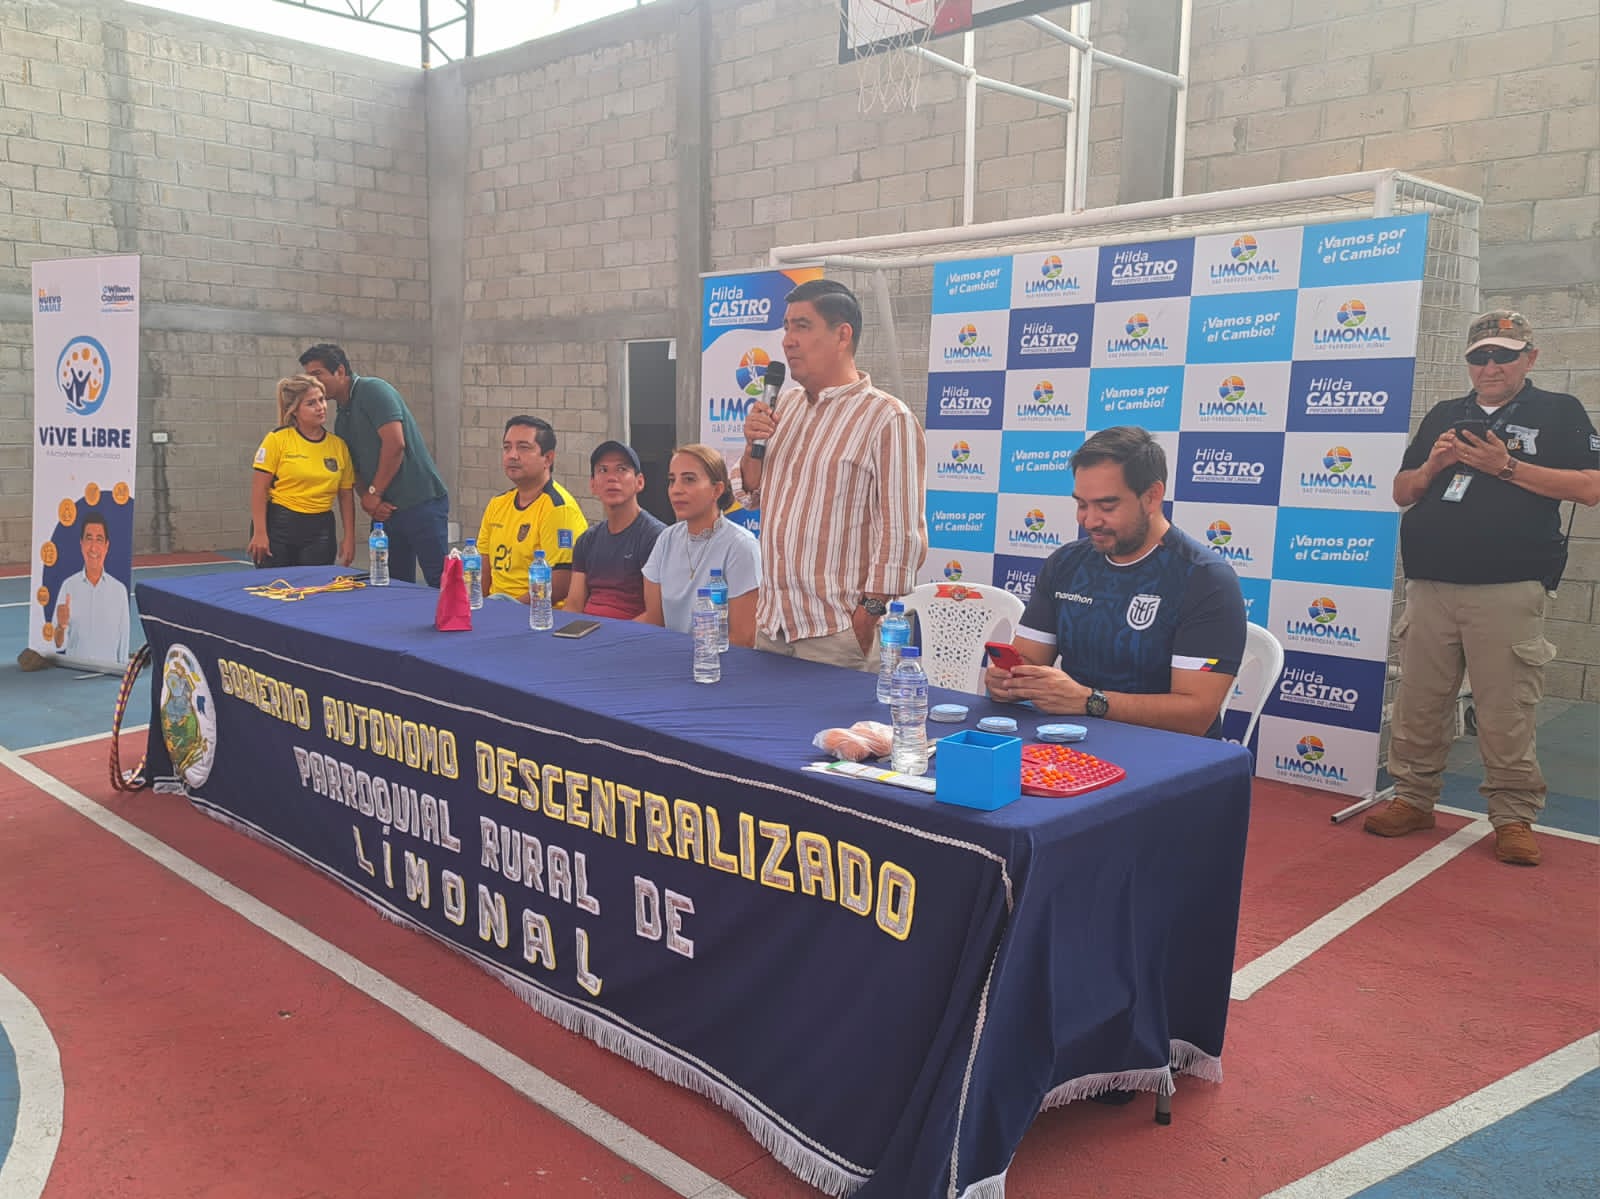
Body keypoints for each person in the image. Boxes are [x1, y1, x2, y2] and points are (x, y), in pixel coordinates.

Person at [1365, 311, 1600, 867]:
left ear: (1530, 358)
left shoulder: (1559, 410)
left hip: (1508, 587)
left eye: (1504, 355)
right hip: (1431, 585)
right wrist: (1434, 464)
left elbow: (1591, 487)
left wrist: (1505, 466)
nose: (1491, 366)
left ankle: (1513, 816)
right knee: (1420, 701)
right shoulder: (1445, 414)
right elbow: (1402, 491)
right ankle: (1413, 798)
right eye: (1480, 356)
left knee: (1506, 707)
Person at [984, 426, 1245, 738]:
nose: (1089, 520)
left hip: (1168, 753)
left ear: (1152, 496)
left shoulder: (1205, 578)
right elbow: (1028, 659)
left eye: (1107, 507)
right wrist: (1009, 680)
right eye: (1081, 504)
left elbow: (1196, 715)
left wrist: (1090, 702)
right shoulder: (1066, 563)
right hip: (1069, 742)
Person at [738, 278, 927, 670]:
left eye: (802, 327)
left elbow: (902, 536)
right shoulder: (785, 406)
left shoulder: (887, 418)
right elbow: (751, 491)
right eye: (786, 328)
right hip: (772, 627)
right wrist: (752, 444)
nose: (788, 341)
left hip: (836, 634)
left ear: (843, 335)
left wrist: (865, 619)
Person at [298, 343, 449, 587]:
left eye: (317, 375)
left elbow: (395, 444)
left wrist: (374, 493)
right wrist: (370, 501)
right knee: (391, 585)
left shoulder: (373, 390)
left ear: (340, 371)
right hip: (386, 512)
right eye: (308, 376)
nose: (312, 382)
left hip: (421, 502)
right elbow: (354, 469)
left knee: (440, 580)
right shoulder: (341, 419)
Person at [642, 443, 761, 644]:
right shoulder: (666, 539)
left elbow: (744, 638)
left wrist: (697, 658)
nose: (676, 490)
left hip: (718, 660)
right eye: (672, 480)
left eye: (689, 479)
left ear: (717, 490)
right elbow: (654, 623)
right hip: (668, 655)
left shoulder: (741, 546)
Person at [478, 416, 590, 606]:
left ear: (548, 458)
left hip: (539, 614)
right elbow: (483, 569)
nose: (512, 455)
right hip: (495, 609)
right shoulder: (496, 504)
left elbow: (562, 583)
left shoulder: (559, 509)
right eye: (507, 447)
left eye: (523, 447)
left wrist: (508, 610)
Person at [248, 374, 356, 569]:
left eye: (322, 400)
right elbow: (259, 489)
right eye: (311, 403)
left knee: (315, 585)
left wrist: (349, 537)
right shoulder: (277, 439)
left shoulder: (338, 446)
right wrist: (260, 532)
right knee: (277, 585)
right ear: (295, 410)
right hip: (279, 526)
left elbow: (346, 495)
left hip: (320, 529)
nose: (320, 407)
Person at [566, 441, 666, 620]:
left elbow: (656, 616)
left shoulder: (655, 537)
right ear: (593, 485)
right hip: (586, 630)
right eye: (603, 470)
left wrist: (611, 633)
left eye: (621, 469)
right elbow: (574, 605)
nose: (611, 478)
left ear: (639, 482)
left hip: (632, 633)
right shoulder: (587, 540)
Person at [52, 510, 130, 666]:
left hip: (108, 673)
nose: (93, 547)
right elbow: (58, 644)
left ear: (106, 546)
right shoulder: (68, 587)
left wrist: (121, 672)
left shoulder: (119, 591)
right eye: (89, 539)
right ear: (81, 544)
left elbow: (124, 642)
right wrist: (61, 627)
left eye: (99, 539)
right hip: (76, 672)